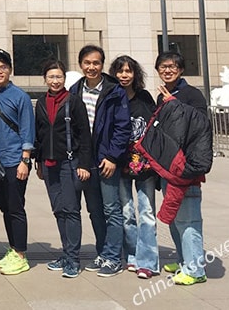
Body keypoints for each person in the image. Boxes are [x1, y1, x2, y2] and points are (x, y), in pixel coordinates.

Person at [143, 51, 212, 286]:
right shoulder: (164, 94)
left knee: (189, 221)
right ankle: (184, 260)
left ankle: (195, 270)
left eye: (172, 66)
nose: (167, 70)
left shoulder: (192, 95)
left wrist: (173, 105)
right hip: (169, 168)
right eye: (163, 67)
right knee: (175, 219)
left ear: (181, 69)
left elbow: (200, 126)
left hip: (186, 169)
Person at [69, 44, 131, 277]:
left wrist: (113, 156)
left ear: (102, 64)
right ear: (81, 64)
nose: (91, 67)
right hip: (86, 160)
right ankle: (103, 253)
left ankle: (114, 258)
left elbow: (122, 128)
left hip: (107, 161)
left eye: (96, 63)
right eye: (87, 63)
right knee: (94, 210)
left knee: (111, 209)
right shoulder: (75, 90)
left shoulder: (115, 91)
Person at [34, 60, 92, 279]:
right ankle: (65, 253)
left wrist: (84, 164)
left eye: (58, 77)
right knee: (58, 209)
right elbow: (39, 135)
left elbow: (85, 136)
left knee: (71, 210)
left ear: (64, 79)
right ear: (45, 79)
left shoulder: (74, 102)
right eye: (51, 77)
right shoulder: (41, 103)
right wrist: (38, 163)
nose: (55, 81)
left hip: (70, 162)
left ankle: (73, 259)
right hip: (49, 165)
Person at [109, 55, 159, 280]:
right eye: (120, 71)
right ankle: (132, 255)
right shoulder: (111, 98)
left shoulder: (145, 97)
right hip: (119, 163)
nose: (124, 75)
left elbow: (154, 127)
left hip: (145, 164)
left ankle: (147, 262)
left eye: (128, 71)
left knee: (147, 212)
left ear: (135, 74)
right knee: (127, 212)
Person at [0, 49, 35, 276]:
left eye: (3, 67)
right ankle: (13, 250)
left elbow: (27, 131)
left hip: (15, 161)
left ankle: (22, 255)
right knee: (5, 208)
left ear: (10, 70)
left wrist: (25, 160)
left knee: (16, 208)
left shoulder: (21, 97)